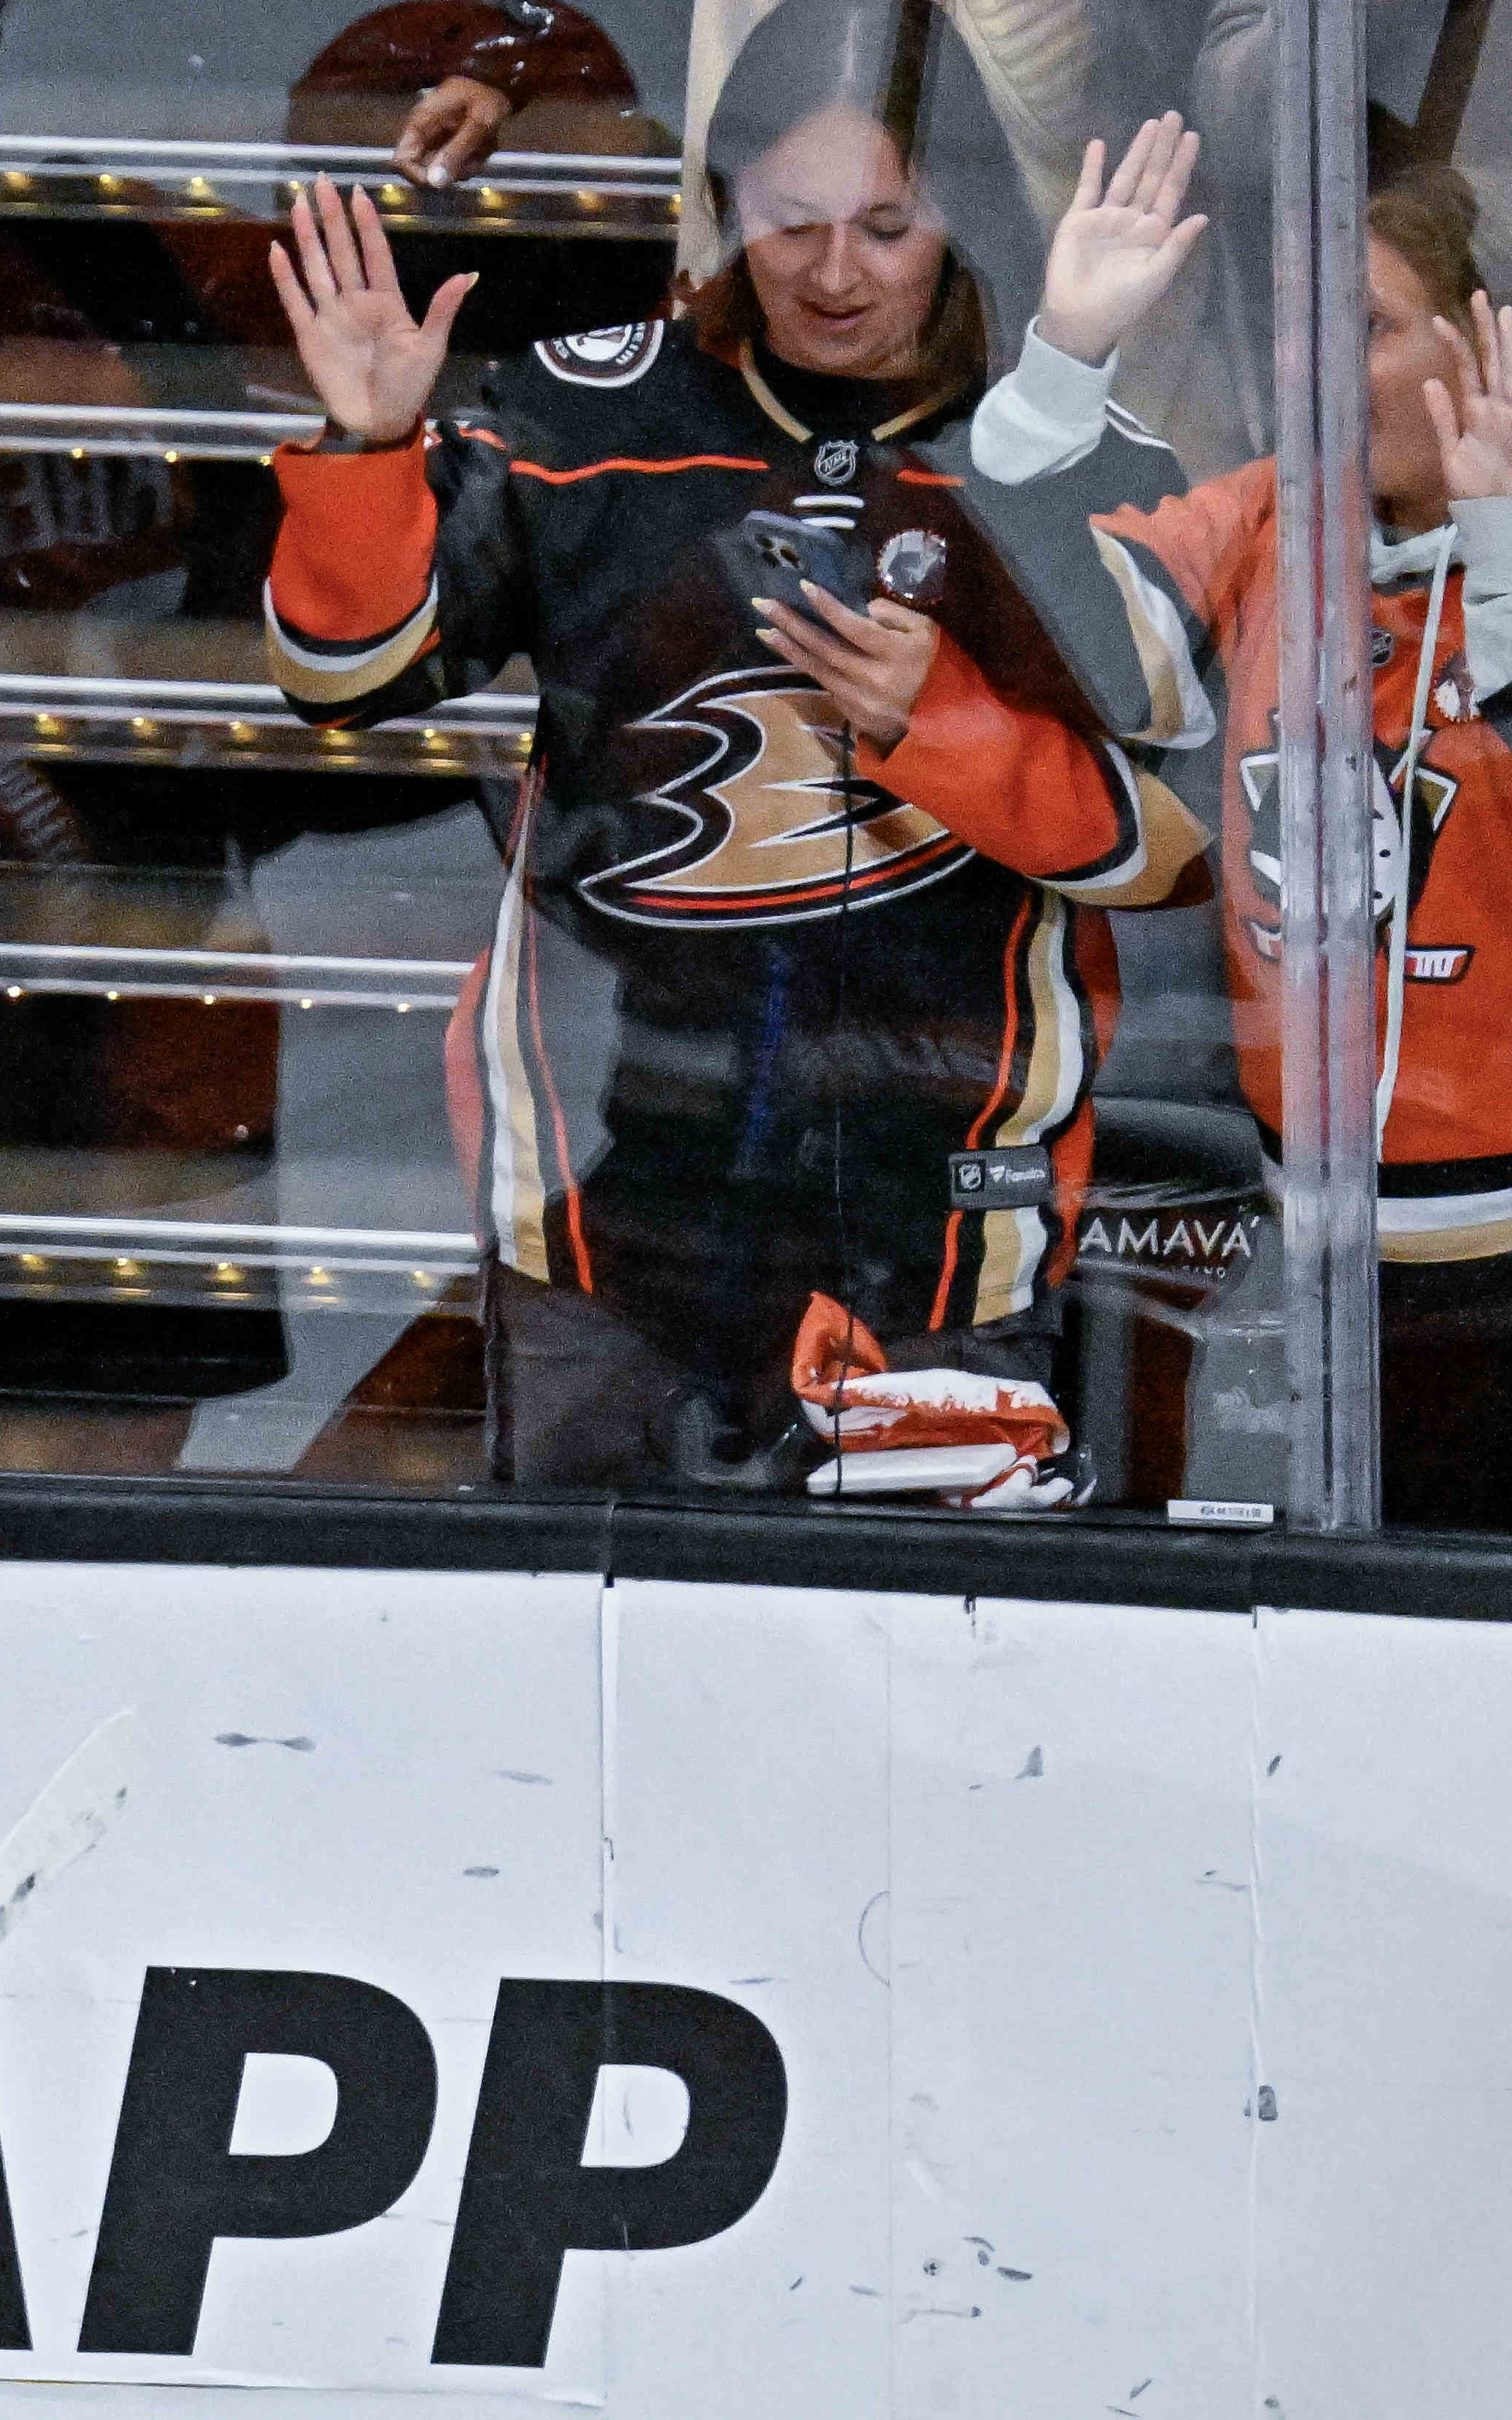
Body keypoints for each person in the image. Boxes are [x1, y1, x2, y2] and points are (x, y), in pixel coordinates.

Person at [262, 20, 1211, 1502]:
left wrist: (934, 726)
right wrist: (365, 445)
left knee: (933, 1698)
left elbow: (1176, 840)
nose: (836, 275)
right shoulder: (585, 413)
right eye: (789, 223)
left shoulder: (1061, 450)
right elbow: (348, 671)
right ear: (723, 209)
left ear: (962, 211)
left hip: (946, 1213)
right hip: (602, 1201)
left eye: (886, 228)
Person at [992, 145, 1512, 1536]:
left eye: (1366, 329)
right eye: (1291, 328)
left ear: (1499, 334)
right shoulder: (1277, 514)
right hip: (1342, 1253)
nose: (1313, 370)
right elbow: (1067, 639)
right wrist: (1065, 360)